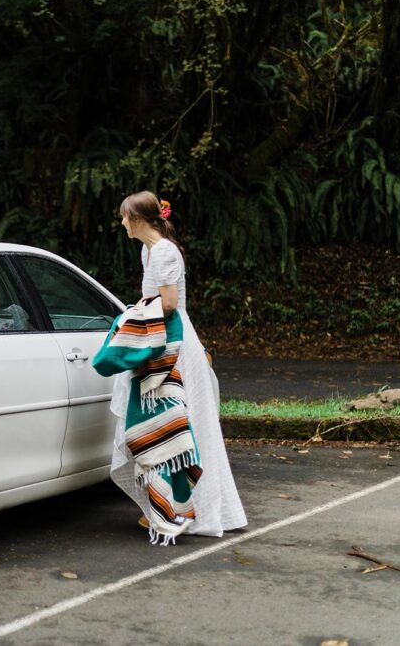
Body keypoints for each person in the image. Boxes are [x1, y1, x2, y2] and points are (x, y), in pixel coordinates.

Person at [104, 191, 247, 539]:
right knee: (164, 426)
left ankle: (190, 510)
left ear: (137, 219)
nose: (122, 223)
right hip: (160, 337)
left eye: (125, 217)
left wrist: (134, 317)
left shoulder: (165, 251)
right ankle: (169, 504)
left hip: (174, 343)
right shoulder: (148, 250)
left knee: (183, 424)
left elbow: (167, 303)